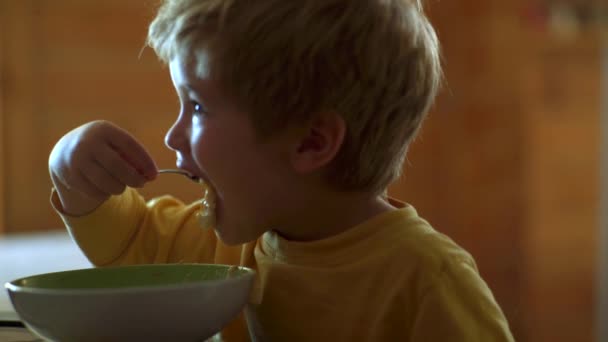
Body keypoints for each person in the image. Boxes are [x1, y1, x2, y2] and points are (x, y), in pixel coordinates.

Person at [48, 0, 515, 340]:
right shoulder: (224, 245)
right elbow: (130, 239)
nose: (173, 137)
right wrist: (69, 166)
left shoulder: (430, 281)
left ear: (311, 142)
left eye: (197, 106)